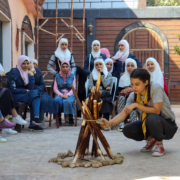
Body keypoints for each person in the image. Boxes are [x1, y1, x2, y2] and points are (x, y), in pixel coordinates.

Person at [102, 69, 177, 157]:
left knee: (152, 117)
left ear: (146, 82)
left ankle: (159, 145)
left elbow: (156, 110)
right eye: (132, 84)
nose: (134, 88)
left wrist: (136, 105)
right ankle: (151, 139)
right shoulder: (133, 95)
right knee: (127, 129)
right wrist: (110, 123)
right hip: (150, 124)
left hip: (167, 126)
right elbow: (124, 113)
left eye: (137, 84)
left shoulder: (155, 88)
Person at [8, 55, 43, 132]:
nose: (26, 66)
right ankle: (34, 122)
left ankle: (35, 120)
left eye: (28, 63)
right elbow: (12, 89)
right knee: (34, 95)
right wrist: (25, 91)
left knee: (35, 95)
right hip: (15, 96)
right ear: (19, 63)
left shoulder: (26, 73)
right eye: (24, 63)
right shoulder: (14, 72)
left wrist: (31, 75)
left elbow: (30, 88)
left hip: (24, 95)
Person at [29, 61, 59, 128]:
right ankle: (39, 119)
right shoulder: (25, 72)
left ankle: (41, 119)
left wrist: (38, 89)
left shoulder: (38, 72)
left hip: (40, 91)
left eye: (35, 64)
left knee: (50, 100)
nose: (33, 65)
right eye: (32, 63)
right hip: (31, 91)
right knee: (40, 99)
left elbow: (42, 84)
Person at [89, 58, 112, 131]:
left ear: (103, 65)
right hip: (95, 93)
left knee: (105, 102)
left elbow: (106, 84)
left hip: (104, 95)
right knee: (94, 101)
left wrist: (101, 73)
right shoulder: (92, 74)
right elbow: (90, 87)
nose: (98, 66)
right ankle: (95, 124)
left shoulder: (108, 74)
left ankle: (105, 124)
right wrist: (99, 88)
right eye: (96, 65)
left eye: (100, 64)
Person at [117, 58, 138, 131]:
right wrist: (124, 90)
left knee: (132, 101)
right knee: (121, 98)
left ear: (135, 67)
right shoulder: (123, 77)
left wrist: (131, 89)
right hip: (124, 97)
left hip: (135, 97)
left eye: (132, 66)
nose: (130, 67)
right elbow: (119, 90)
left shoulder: (138, 77)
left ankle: (133, 123)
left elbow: (141, 89)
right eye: (128, 66)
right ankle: (121, 123)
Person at [53, 60, 76, 126]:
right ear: (61, 67)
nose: (65, 68)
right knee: (58, 101)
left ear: (69, 67)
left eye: (66, 66)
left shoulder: (72, 76)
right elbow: (55, 88)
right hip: (59, 93)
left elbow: (73, 88)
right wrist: (61, 95)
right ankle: (59, 118)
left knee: (68, 101)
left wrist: (68, 95)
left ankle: (70, 117)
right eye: (63, 67)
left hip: (70, 93)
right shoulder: (57, 76)